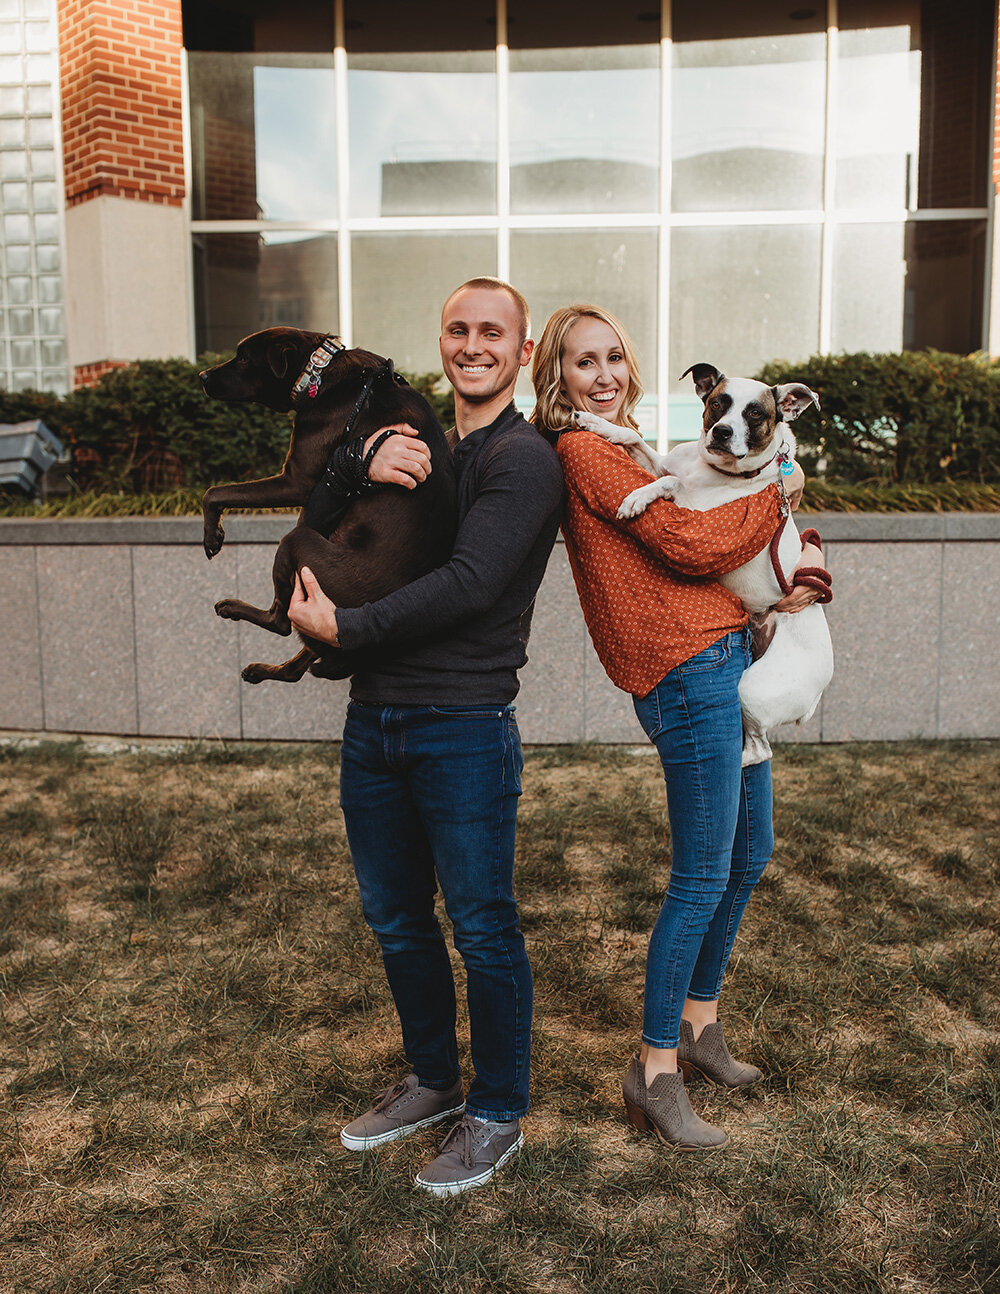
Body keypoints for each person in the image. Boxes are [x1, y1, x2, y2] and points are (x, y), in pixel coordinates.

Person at [287, 278, 564, 1195]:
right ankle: (435, 1081)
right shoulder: (419, 445)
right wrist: (353, 471)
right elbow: (328, 528)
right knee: (395, 916)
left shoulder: (522, 460)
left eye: (493, 332)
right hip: (374, 718)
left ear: (522, 353)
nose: (472, 343)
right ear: (439, 342)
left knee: (483, 928)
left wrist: (347, 633)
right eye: (457, 328)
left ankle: (497, 1110)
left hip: (464, 725)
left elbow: (471, 581)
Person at [531, 304, 827, 1150]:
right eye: (583, 361)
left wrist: (784, 552)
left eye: (615, 356)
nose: (605, 374)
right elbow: (689, 546)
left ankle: (699, 1026)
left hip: (728, 655)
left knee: (750, 854)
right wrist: (777, 485)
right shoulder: (585, 449)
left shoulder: (631, 445)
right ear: (557, 375)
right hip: (684, 671)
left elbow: (723, 547)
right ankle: (654, 1070)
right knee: (701, 874)